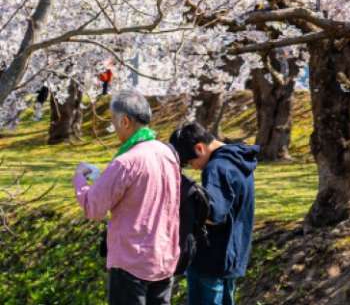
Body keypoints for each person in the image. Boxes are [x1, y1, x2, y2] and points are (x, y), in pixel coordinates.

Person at [74, 91, 180, 305]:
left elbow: (93, 208)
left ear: (125, 121)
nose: (113, 129)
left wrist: (79, 179)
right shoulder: (166, 153)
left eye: (113, 122)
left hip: (132, 260)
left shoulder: (127, 161)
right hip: (163, 255)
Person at [169, 122, 259, 305]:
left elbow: (213, 215)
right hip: (232, 254)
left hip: (210, 259)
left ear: (200, 148)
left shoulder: (216, 168)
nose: (194, 168)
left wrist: (187, 199)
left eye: (190, 162)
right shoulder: (238, 158)